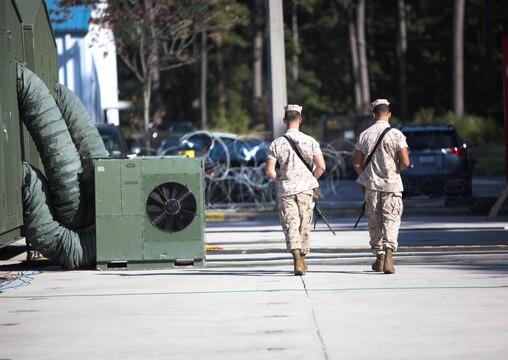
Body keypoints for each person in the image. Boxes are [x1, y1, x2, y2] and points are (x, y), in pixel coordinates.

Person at [265, 104, 326, 275]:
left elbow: (269, 170)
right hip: (306, 189)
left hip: (287, 190)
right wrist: (312, 179)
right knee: (304, 224)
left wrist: (280, 180)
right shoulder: (311, 141)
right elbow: (321, 166)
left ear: (285, 121)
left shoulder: (276, 144)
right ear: (300, 119)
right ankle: (303, 258)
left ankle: (296, 259)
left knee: (291, 224)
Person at [354, 99, 410, 274]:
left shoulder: (364, 135)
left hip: (371, 186)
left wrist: (365, 177)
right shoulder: (397, 135)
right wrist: (395, 171)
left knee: (374, 221)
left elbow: (357, 164)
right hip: (392, 186)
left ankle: (379, 258)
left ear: (373, 115)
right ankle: (389, 256)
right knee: (391, 220)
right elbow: (406, 162)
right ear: (389, 114)